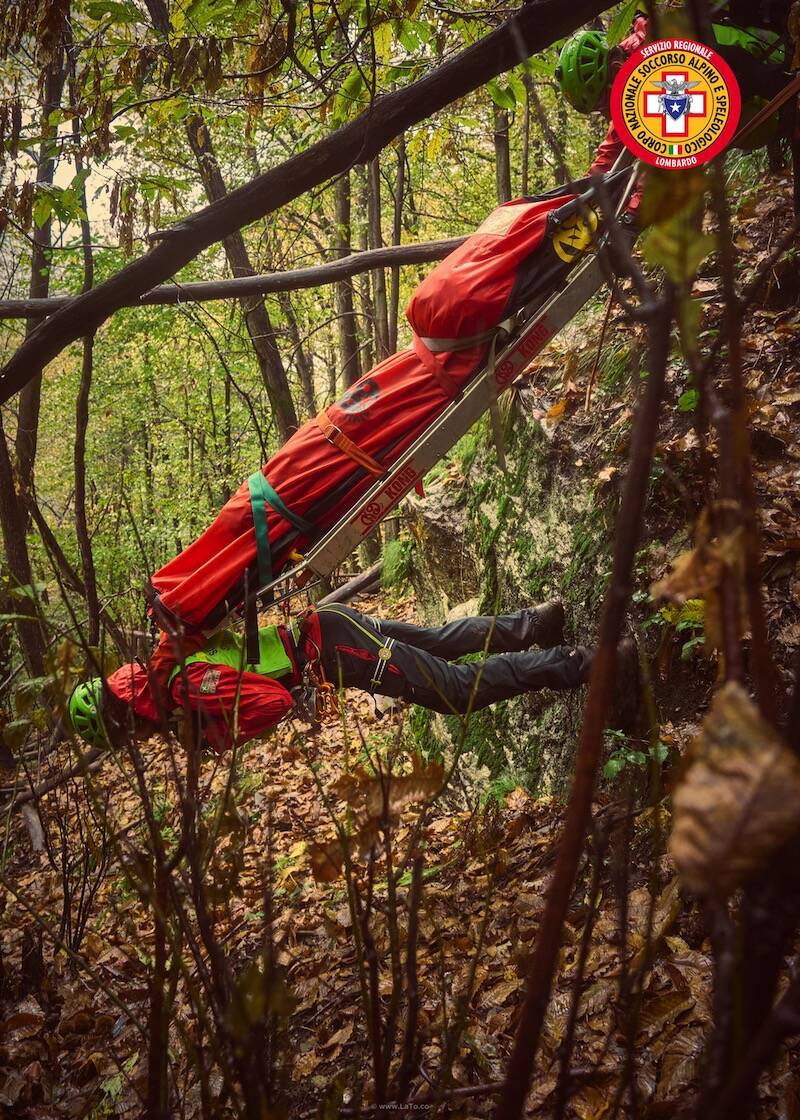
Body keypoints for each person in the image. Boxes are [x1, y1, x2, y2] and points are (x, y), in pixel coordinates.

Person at [68, 600, 597, 753]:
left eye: (131, 736)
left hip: (334, 648)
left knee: (454, 690)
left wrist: (218, 735)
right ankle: (538, 623)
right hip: (327, 629)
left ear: (129, 716)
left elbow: (273, 702)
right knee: (437, 643)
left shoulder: (181, 685)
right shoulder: (166, 668)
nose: (141, 741)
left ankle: (577, 662)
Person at [556, 14, 792, 214]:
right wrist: (567, 203)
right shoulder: (631, 77)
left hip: (776, 64)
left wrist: (633, 214)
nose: (606, 113)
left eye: (603, 104)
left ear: (616, 72)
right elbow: (609, 154)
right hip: (761, 92)